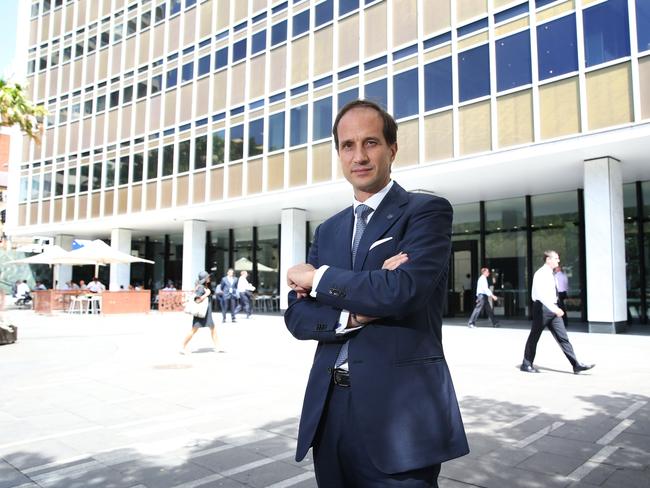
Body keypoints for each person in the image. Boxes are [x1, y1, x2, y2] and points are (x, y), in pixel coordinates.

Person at [284, 99, 469, 487]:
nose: (359, 155)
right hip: (330, 412)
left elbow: (402, 291)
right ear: (338, 154)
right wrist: (354, 313)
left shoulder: (426, 212)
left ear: (392, 149)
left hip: (399, 418)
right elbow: (297, 317)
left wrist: (318, 279)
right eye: (348, 145)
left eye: (371, 142)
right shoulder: (328, 230)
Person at [521, 250, 595, 374]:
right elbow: (541, 295)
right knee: (534, 336)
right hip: (542, 309)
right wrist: (555, 309)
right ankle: (526, 364)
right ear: (548, 259)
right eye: (556, 258)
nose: (558, 260)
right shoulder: (541, 274)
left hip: (553, 308)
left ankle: (576, 364)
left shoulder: (551, 273)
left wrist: (555, 307)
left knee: (563, 338)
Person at [181, 271, 222, 354]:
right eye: (208, 277)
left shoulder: (205, 286)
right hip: (200, 313)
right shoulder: (201, 287)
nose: (209, 278)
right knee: (193, 330)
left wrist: (209, 292)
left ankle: (218, 347)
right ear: (205, 279)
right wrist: (206, 294)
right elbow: (197, 300)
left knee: (213, 328)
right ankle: (182, 347)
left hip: (206, 313)